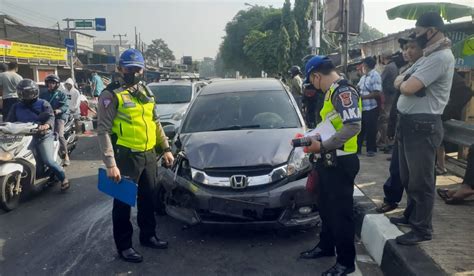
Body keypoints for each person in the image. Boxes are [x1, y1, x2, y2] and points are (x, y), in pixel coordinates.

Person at [97, 48, 174, 263]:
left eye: (137, 69)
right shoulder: (110, 95)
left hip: (149, 154)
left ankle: (148, 236)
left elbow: (155, 122)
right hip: (125, 156)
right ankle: (124, 247)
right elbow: (102, 130)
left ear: (143, 70)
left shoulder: (147, 92)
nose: (134, 73)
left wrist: (165, 148)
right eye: (129, 69)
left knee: (148, 199)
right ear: (120, 69)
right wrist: (110, 163)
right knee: (122, 203)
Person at [391, 12, 455, 245]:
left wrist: (405, 83)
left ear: (431, 32)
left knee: (422, 181)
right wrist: (404, 82)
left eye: (418, 33)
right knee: (408, 177)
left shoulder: (440, 58)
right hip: (409, 124)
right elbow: (401, 78)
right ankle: (411, 216)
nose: (415, 38)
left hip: (423, 125)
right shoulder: (427, 56)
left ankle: (422, 228)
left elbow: (408, 87)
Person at [298, 56, 362, 276]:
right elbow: (331, 125)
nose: (313, 86)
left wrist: (322, 145)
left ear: (316, 76)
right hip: (328, 159)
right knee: (325, 207)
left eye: (312, 81)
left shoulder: (343, 92)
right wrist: (312, 138)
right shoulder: (331, 93)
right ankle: (326, 246)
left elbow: (352, 126)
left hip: (341, 161)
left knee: (341, 213)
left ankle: (346, 262)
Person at [376, 35, 425, 213]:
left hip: (422, 127)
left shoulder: (430, 67)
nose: (407, 52)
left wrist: (442, 114)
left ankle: (416, 213)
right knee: (396, 167)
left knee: (417, 175)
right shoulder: (407, 68)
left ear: (423, 49)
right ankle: (392, 200)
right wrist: (392, 125)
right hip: (403, 124)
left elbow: (461, 92)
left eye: (412, 47)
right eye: (406, 48)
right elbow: (399, 95)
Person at [6, 79, 70, 191]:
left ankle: (63, 178)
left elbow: (50, 117)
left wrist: (46, 126)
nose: (25, 95)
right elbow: (9, 122)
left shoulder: (43, 104)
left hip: (42, 136)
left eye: (28, 93)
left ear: (34, 92)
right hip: (22, 137)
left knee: (48, 160)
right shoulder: (16, 106)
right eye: (22, 93)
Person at [436, 72, 473, 175]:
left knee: (438, 141)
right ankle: (441, 166)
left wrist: (447, 112)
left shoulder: (446, 71)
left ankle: (441, 167)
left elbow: (466, 93)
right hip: (441, 113)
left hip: (443, 113)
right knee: (439, 141)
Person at [40, 74, 70, 166]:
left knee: (59, 135)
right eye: (49, 83)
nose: (50, 85)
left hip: (59, 117)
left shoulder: (61, 94)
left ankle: (66, 156)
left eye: (53, 83)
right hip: (47, 117)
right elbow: (39, 104)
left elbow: (65, 105)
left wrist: (59, 110)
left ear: (57, 84)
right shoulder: (43, 94)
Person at [357, 57, 382, 157]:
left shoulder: (375, 75)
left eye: (362, 64)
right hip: (362, 108)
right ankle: (357, 149)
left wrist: (362, 97)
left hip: (371, 107)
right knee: (360, 129)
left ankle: (371, 149)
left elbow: (377, 93)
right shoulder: (364, 77)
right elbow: (358, 87)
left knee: (371, 129)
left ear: (365, 65)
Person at [379, 50, 399, 152]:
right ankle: (388, 142)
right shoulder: (394, 66)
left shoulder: (388, 67)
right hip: (393, 96)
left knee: (385, 120)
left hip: (387, 97)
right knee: (389, 119)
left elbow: (380, 80)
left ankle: (387, 142)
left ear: (383, 57)